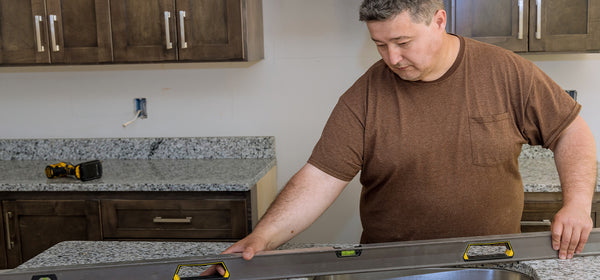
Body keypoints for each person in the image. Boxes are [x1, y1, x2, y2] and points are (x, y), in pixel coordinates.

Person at [218, 0, 597, 271]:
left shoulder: (506, 72)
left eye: (402, 42)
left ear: (438, 20)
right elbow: (319, 178)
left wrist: (577, 205)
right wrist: (263, 236)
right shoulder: (364, 96)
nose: (391, 58)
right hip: (392, 266)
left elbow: (570, 133)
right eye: (380, 45)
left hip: (489, 261)